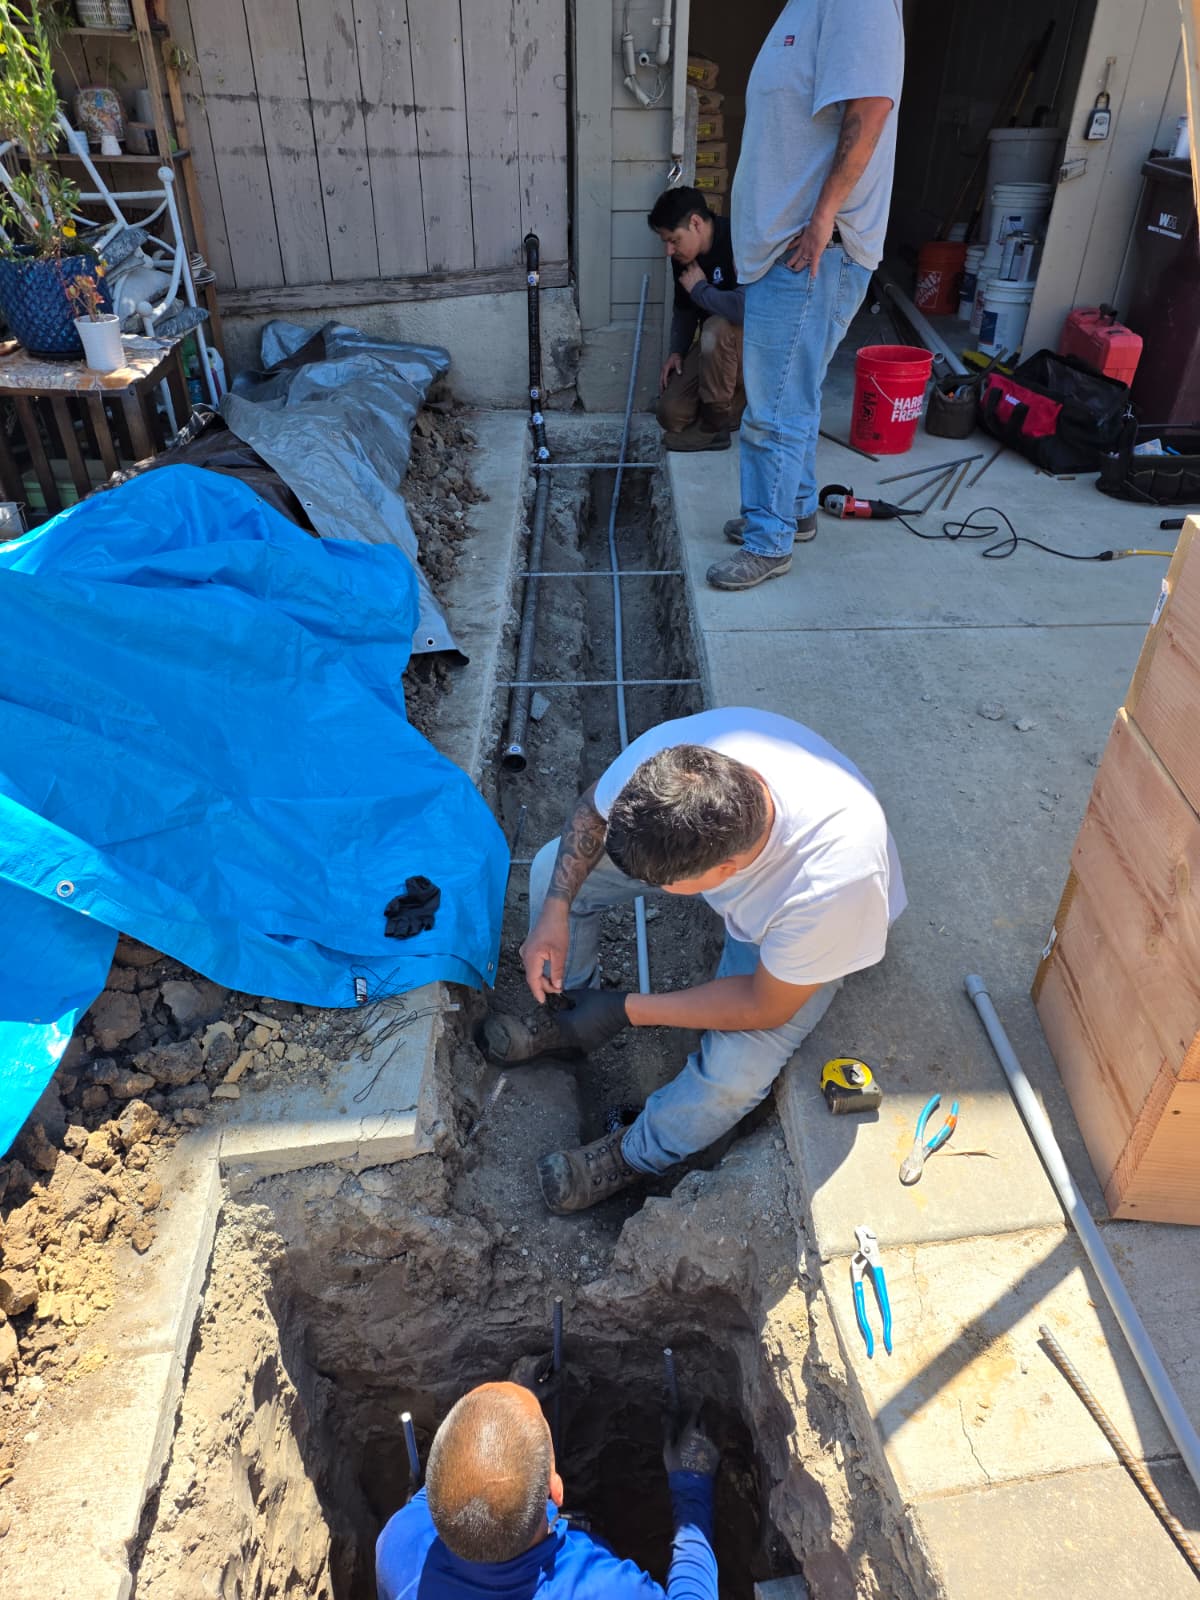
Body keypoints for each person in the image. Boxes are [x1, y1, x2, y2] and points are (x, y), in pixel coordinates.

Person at [482, 708, 905, 1214]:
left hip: (800, 939)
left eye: (661, 884)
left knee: (733, 1075)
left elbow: (763, 1005)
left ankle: (635, 1154)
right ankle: (567, 1012)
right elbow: (593, 811)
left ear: (724, 872)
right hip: (743, 872)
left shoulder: (831, 888)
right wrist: (556, 908)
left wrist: (622, 1009)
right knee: (552, 868)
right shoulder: (676, 764)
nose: (648, 888)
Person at [706, 0, 905, 591]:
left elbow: (869, 109)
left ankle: (768, 540)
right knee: (795, 394)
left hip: (809, 249)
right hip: (787, 248)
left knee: (771, 411)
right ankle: (793, 509)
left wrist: (822, 219)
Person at [375, 1372, 720, 1600]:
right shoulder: (604, 1589)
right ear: (556, 1490)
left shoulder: (400, 1542)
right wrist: (691, 1487)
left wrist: (514, 1400)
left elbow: (462, 1477)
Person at [647, 187, 745, 454]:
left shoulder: (738, 240)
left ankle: (715, 428)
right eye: (665, 242)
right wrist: (677, 351)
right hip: (715, 355)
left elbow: (744, 309)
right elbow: (684, 309)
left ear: (696, 223)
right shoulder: (683, 258)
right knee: (671, 414)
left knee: (715, 327)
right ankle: (733, 408)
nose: (669, 250)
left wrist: (701, 290)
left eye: (674, 240)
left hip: (753, 349)